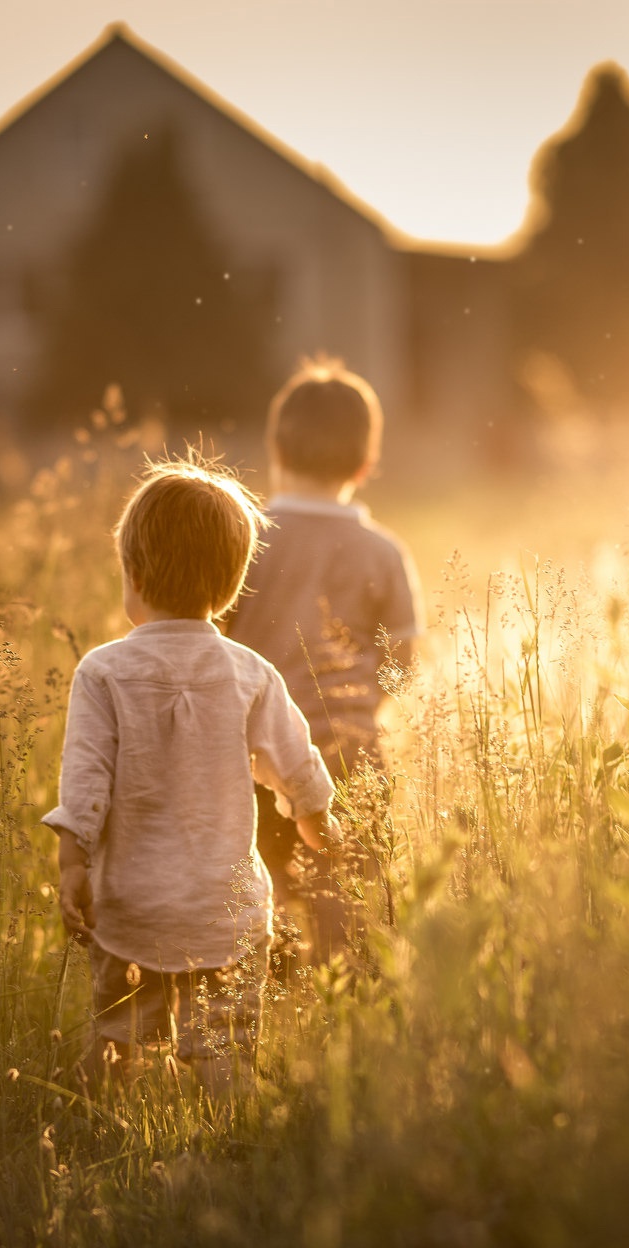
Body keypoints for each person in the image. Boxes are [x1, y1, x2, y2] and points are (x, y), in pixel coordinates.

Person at [43, 462, 336, 1097]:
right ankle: (231, 1147)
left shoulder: (102, 673)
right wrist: (316, 821)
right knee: (223, 1051)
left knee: (118, 1045)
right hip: (222, 909)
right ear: (228, 588)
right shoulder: (251, 674)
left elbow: (85, 782)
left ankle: (102, 1136)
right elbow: (298, 763)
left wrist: (73, 863)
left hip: (130, 904)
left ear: (135, 577)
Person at [224, 361, 423, 965]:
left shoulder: (244, 535)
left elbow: (210, 635)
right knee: (348, 903)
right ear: (365, 465)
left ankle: (270, 993)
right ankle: (343, 1012)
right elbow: (403, 662)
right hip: (350, 752)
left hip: (249, 754)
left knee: (259, 894)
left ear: (277, 450)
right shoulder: (383, 552)